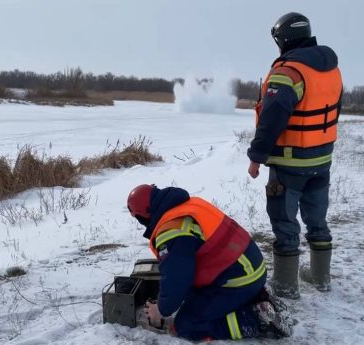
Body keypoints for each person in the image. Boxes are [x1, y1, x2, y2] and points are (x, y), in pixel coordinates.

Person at [247, 12, 343, 299]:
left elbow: (272, 117)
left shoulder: (287, 73)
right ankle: (320, 277)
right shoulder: (331, 70)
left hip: (289, 163)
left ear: (284, 39)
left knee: (284, 222)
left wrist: (256, 156)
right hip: (321, 161)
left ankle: (286, 286)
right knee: (318, 220)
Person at [127, 184, 292, 340]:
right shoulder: (186, 206)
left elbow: (178, 278)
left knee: (186, 325)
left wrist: (161, 310)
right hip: (249, 268)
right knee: (191, 299)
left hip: (238, 279)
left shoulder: (171, 231)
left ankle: (254, 319)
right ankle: (256, 298)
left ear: (143, 216)